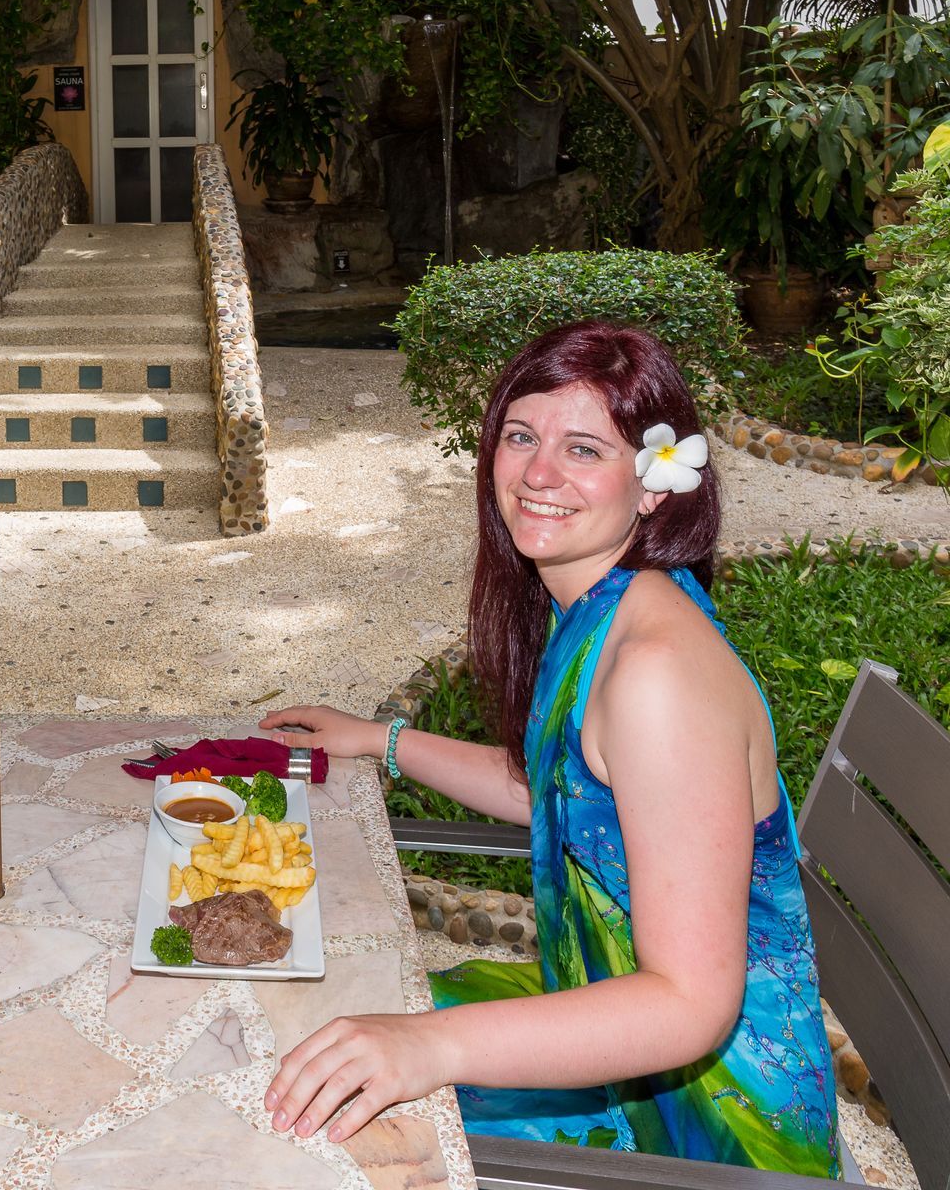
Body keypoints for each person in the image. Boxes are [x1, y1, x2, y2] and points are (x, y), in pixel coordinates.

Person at [260, 321, 839, 1176]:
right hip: (619, 1043)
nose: (539, 474)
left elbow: (691, 1007)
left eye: (584, 449)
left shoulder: (657, 675)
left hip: (708, 1126)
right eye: (523, 436)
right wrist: (380, 741)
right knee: (310, 1029)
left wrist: (433, 1048)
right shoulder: (608, 602)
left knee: (312, 1114)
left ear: (653, 487)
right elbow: (568, 797)